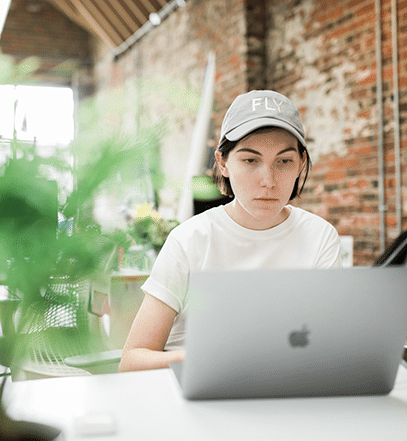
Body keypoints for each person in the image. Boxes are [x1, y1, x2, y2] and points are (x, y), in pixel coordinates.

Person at [118, 90, 341, 372]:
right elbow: (132, 360)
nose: (268, 181)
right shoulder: (190, 240)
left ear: (301, 165)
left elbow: (327, 345)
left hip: (285, 394)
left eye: (284, 161)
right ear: (223, 163)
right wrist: (209, 360)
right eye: (250, 160)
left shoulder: (319, 236)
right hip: (196, 398)